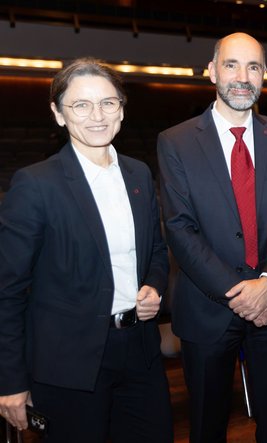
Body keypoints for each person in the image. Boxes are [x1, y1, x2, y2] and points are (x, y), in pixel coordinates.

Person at [0, 58, 172, 442]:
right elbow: (7, 292)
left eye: (108, 103)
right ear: (59, 115)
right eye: (80, 105)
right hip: (69, 364)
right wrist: (10, 381)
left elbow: (157, 252)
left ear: (122, 110)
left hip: (140, 351)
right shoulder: (35, 185)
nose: (97, 115)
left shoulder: (139, 174)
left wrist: (154, 287)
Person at [157, 32, 267, 442]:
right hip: (208, 308)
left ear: (264, 75)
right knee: (207, 426)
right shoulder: (176, 141)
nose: (243, 77)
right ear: (211, 72)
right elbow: (180, 229)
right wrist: (242, 293)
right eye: (231, 64)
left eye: (254, 66)